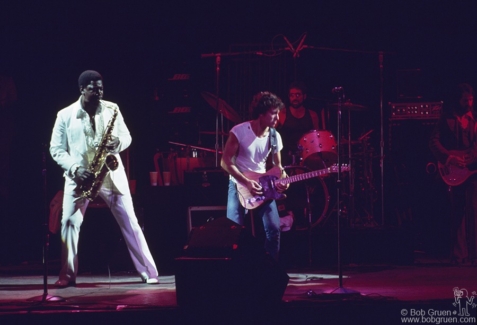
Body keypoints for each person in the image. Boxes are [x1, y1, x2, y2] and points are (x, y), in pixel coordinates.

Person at [50, 70, 159, 287]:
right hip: (80, 176)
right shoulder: (65, 115)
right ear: (82, 89)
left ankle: (148, 271)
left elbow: (127, 136)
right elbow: (56, 149)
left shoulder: (112, 109)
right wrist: (75, 168)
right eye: (93, 88)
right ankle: (67, 274)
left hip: (110, 174)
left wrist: (117, 144)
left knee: (130, 221)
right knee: (69, 223)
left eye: (100, 88)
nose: (98, 92)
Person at [220, 91, 288, 261]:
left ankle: (269, 270)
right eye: (273, 113)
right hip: (239, 183)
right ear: (261, 114)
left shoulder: (275, 136)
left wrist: (283, 179)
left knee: (274, 229)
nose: (277, 117)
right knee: (233, 230)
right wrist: (246, 182)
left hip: (263, 184)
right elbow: (225, 162)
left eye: (278, 113)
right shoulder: (240, 131)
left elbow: (277, 166)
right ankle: (235, 272)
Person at [429, 82, 477, 265]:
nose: (470, 104)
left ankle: (474, 255)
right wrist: (449, 158)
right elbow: (433, 142)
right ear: (458, 100)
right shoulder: (446, 118)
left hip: (472, 170)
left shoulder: (475, 120)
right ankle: (459, 255)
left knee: (473, 210)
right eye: (466, 100)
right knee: (457, 211)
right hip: (454, 172)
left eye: (471, 100)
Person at [277, 81, 321, 167]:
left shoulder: (313, 115)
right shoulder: (282, 114)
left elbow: (317, 138)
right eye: (292, 95)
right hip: (286, 158)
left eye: (298, 95)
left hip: (307, 158)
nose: (294, 98)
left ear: (304, 96)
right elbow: (270, 134)